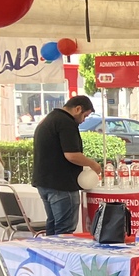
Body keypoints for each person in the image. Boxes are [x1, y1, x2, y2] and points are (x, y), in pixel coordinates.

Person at [32, 95, 103, 236]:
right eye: (85, 116)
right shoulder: (66, 122)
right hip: (61, 184)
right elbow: (72, 155)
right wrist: (93, 164)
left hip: (44, 181)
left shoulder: (49, 119)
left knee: (52, 226)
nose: (83, 121)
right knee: (64, 230)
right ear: (78, 109)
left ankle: (50, 255)